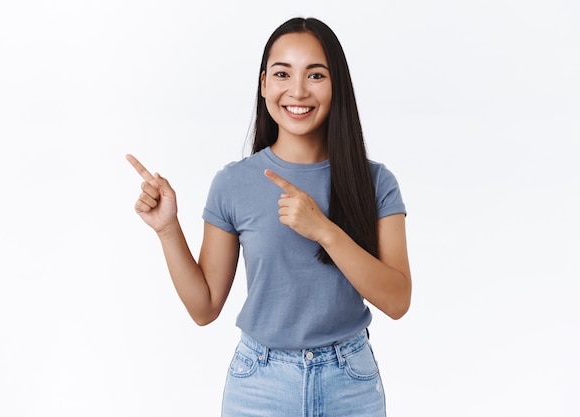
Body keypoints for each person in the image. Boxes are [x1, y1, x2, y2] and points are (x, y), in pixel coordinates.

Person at [127, 16, 411, 417]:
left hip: (350, 382)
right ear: (264, 85)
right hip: (259, 384)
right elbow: (204, 307)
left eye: (315, 75)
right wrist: (168, 229)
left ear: (337, 86)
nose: (297, 90)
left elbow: (398, 300)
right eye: (282, 74)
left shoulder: (376, 181)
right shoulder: (233, 183)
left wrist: (325, 231)